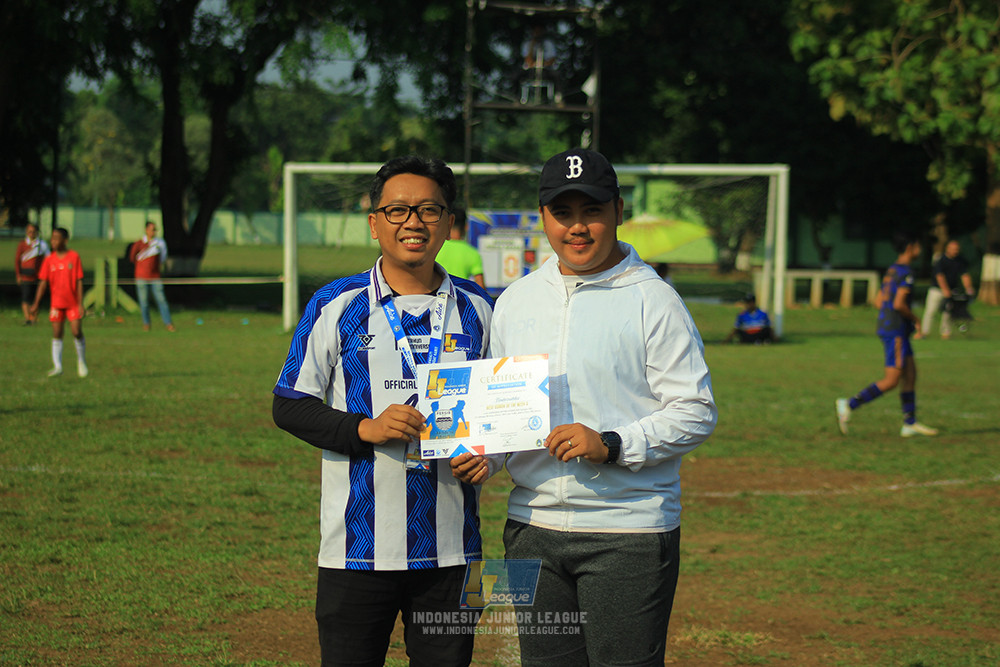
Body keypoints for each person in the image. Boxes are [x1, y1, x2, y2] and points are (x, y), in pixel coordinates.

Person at [451, 148, 717, 666]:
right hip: (530, 530)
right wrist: (488, 455)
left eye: (591, 211)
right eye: (562, 213)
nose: (578, 227)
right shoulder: (516, 299)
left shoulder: (654, 300)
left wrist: (612, 443)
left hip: (630, 533)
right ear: (543, 216)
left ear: (618, 211)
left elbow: (695, 409)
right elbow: (508, 414)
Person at [271, 156, 494, 667]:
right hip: (353, 550)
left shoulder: (482, 308)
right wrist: (364, 427)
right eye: (396, 210)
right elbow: (289, 404)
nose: (412, 222)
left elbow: (501, 413)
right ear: (375, 223)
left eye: (428, 210)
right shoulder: (336, 303)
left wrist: (489, 456)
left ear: (447, 221)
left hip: (456, 553)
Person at [836, 231, 938, 438]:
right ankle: (849, 404)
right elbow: (898, 303)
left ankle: (909, 423)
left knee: (910, 374)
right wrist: (916, 320)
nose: (920, 249)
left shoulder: (892, 269)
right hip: (896, 330)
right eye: (918, 245)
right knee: (892, 380)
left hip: (890, 327)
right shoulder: (907, 272)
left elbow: (878, 300)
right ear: (910, 247)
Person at [30, 227, 88, 378]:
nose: (53, 241)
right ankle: (58, 366)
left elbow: (79, 280)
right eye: (52, 238)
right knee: (57, 333)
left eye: (57, 238)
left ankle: (81, 361)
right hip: (56, 303)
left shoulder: (74, 257)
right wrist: (36, 303)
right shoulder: (49, 259)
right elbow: (43, 282)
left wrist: (81, 303)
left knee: (76, 331)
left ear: (65, 240)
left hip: (73, 303)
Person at [920, 239, 975, 339]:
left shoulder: (959, 261)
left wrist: (969, 288)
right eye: (953, 249)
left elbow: (964, 275)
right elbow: (939, 276)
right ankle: (924, 332)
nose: (955, 251)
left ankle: (945, 333)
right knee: (930, 311)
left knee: (948, 312)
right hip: (937, 289)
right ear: (947, 249)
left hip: (951, 290)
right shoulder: (941, 260)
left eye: (957, 249)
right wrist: (945, 289)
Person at [129, 221, 176, 332]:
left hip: (155, 277)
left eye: (155, 229)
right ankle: (146, 324)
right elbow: (132, 258)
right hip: (141, 277)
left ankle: (168, 323)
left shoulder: (159, 243)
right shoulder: (139, 243)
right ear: (146, 230)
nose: (153, 232)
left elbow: (163, 258)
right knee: (144, 302)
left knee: (161, 300)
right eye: (151, 229)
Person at [435, 208, 485, 287]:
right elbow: (480, 286)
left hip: (437, 296)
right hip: (460, 297)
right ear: (466, 227)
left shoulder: (435, 248)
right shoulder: (473, 253)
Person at [15, 222, 50, 325]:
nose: (31, 234)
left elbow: (48, 259)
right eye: (29, 232)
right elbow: (17, 260)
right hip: (25, 276)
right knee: (26, 297)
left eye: (33, 232)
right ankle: (28, 318)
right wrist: (18, 274)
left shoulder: (42, 244)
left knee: (37, 298)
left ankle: (34, 318)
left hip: (38, 276)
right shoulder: (22, 244)